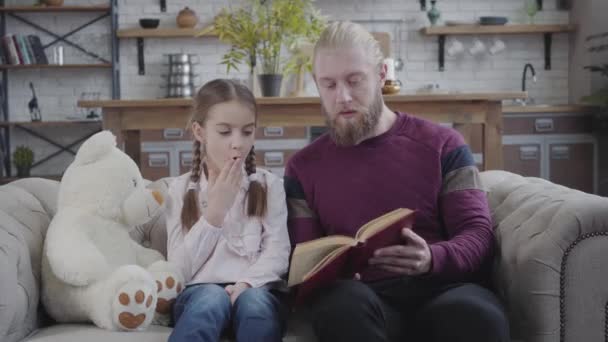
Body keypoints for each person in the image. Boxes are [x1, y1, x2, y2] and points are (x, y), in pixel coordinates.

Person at [284, 21, 510, 342]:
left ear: (379, 75)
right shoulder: (302, 168)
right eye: (329, 84)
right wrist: (330, 273)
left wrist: (433, 258)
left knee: (476, 315)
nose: (343, 96)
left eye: (354, 81)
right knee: (339, 305)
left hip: (444, 290)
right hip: (363, 299)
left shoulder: (444, 144)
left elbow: (477, 235)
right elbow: (304, 261)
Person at [166, 79, 291, 342]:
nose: (238, 144)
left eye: (247, 132)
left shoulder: (270, 185)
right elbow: (178, 270)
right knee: (210, 300)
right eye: (225, 132)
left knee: (254, 304)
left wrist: (246, 283)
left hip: (257, 288)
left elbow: (278, 252)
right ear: (199, 132)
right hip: (198, 292)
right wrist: (215, 212)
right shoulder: (179, 190)